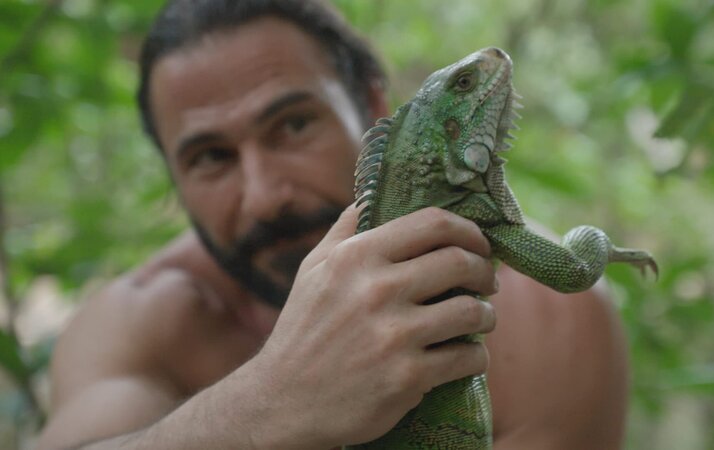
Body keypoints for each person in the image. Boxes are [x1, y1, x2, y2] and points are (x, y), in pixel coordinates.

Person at [37, 1, 628, 448]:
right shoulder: (138, 323)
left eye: (294, 125)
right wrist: (267, 402)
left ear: (372, 107)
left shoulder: (541, 313)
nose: (265, 197)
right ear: (173, 174)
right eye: (211, 156)